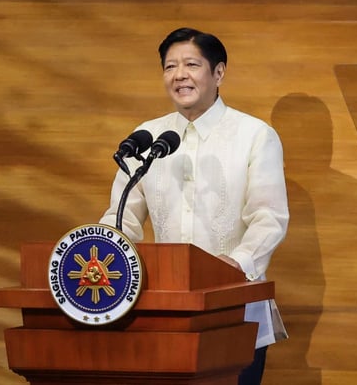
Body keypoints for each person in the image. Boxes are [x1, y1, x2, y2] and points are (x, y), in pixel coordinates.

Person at [101, 27, 289, 385]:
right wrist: (103, 250)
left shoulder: (254, 135)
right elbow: (122, 216)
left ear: (218, 73)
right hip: (162, 312)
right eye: (170, 66)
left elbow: (269, 217)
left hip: (234, 312)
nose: (179, 75)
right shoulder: (148, 136)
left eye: (191, 64)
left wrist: (235, 264)